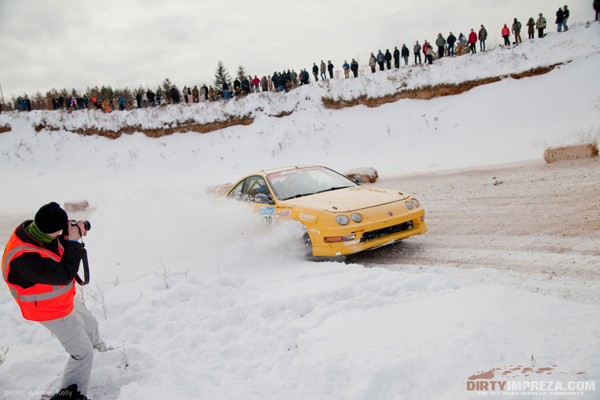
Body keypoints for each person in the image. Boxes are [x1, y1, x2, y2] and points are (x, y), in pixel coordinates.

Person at [2, 202, 109, 400]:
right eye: (59, 230)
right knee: (82, 352)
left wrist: (69, 235)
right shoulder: (23, 258)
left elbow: (52, 244)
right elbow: (64, 274)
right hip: (47, 309)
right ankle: (71, 393)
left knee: (91, 325)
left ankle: (106, 359)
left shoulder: (35, 231)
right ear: (49, 230)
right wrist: (74, 243)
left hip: (62, 299)